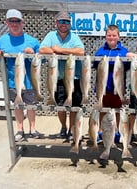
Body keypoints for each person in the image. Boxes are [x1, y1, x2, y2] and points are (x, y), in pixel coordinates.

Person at [0, 9, 41, 142]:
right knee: (17, 106)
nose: (14, 24)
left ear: (22, 23)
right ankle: (20, 129)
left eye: (17, 21)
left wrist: (32, 54)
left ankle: (33, 129)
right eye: (11, 21)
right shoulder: (1, 40)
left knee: (31, 105)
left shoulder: (32, 41)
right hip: (12, 81)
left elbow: (39, 60)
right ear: (6, 22)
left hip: (30, 81)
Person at [39, 11, 85, 139]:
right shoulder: (50, 35)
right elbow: (42, 49)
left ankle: (72, 129)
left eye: (66, 22)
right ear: (56, 23)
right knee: (60, 106)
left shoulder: (74, 36)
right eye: (61, 21)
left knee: (74, 106)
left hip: (74, 79)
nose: (64, 24)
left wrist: (59, 50)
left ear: (70, 24)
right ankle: (63, 127)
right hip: (57, 79)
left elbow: (81, 51)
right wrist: (66, 52)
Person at [94, 24, 130, 143]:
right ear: (105, 37)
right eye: (109, 35)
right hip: (103, 87)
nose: (111, 38)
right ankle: (101, 131)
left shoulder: (124, 51)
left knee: (117, 110)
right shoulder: (100, 51)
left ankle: (116, 131)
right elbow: (96, 66)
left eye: (114, 35)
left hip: (117, 88)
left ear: (119, 37)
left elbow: (127, 66)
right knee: (103, 109)